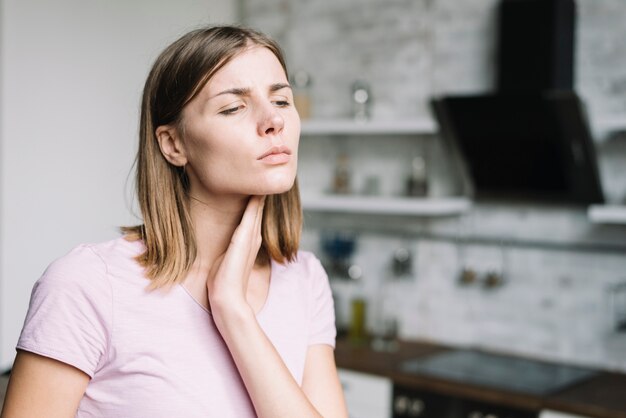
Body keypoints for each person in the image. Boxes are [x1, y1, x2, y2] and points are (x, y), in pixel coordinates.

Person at [1, 25, 348, 418]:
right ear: (173, 144)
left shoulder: (304, 278)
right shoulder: (86, 285)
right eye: (234, 107)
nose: (274, 121)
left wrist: (233, 311)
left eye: (282, 101)